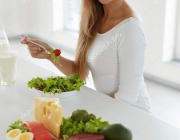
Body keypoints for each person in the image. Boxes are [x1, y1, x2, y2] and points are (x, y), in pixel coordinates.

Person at [21, 0, 153, 114]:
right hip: (110, 107)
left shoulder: (130, 28)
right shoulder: (95, 17)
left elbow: (127, 97)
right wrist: (50, 53)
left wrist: (89, 109)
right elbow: (79, 71)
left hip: (133, 115)